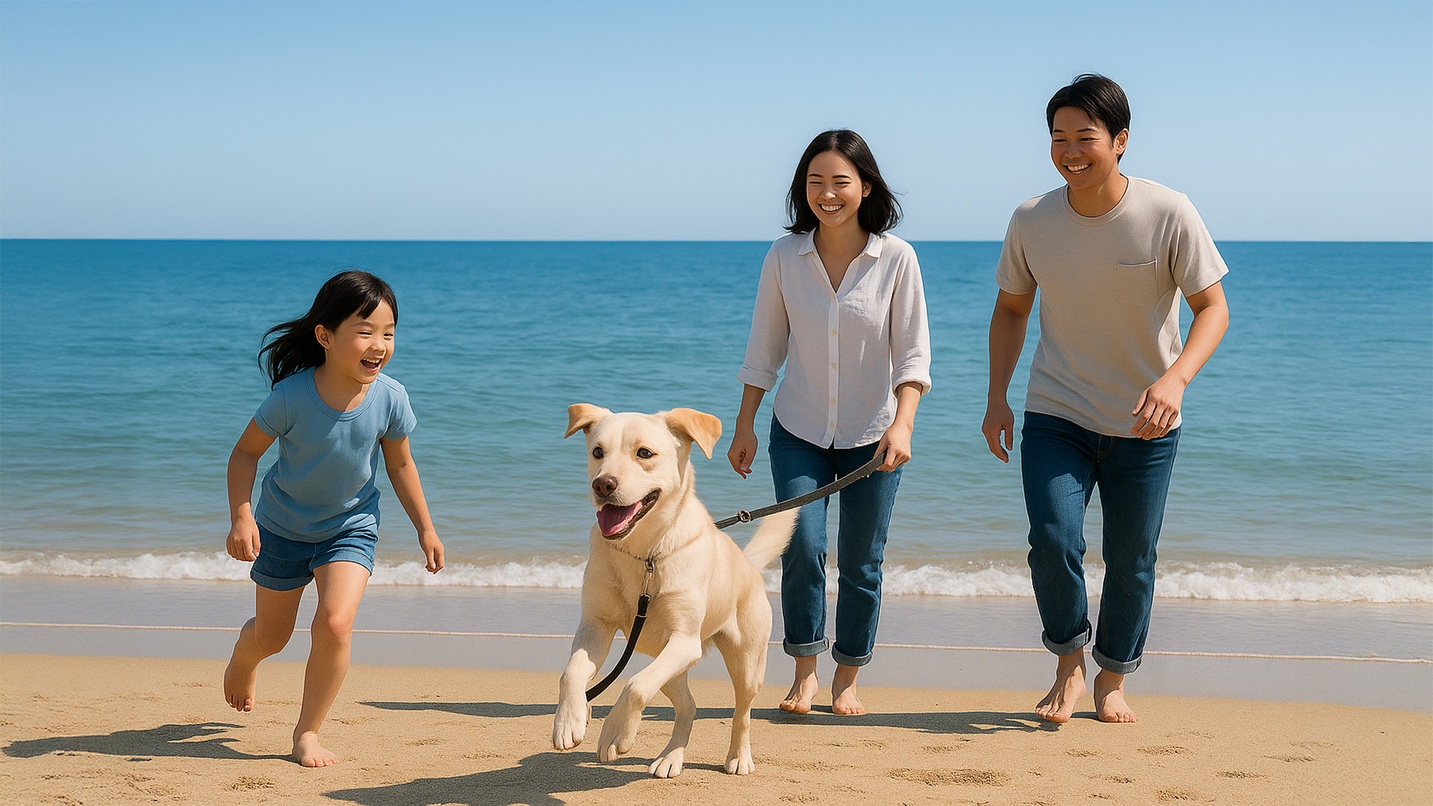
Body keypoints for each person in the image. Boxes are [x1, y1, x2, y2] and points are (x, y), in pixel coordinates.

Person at [982, 74, 1230, 724]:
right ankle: (1068, 662)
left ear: (1119, 141)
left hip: (1145, 420)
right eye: (1057, 138)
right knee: (1051, 538)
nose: (1069, 151)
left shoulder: (1167, 211)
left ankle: (1112, 677)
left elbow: (1212, 309)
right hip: (1055, 410)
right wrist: (996, 397)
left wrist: (1174, 379)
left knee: (1131, 557)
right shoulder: (1031, 219)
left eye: (1084, 138)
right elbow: (1011, 311)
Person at [728, 130, 931, 716]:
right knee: (804, 546)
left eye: (841, 181)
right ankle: (805, 670)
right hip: (799, 430)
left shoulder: (896, 259)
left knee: (863, 559)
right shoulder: (784, 257)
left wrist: (905, 424)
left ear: (866, 186)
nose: (828, 193)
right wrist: (745, 425)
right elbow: (764, 349)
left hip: (876, 434)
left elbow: (913, 354)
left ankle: (848, 676)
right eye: (815, 182)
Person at [222, 270, 444, 765]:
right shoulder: (291, 397)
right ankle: (245, 650)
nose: (379, 344)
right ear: (325, 336)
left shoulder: (390, 397)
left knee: (336, 624)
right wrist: (242, 517)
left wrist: (425, 528)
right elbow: (243, 455)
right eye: (365, 331)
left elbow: (400, 463)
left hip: (350, 526)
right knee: (272, 637)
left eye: (388, 333)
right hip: (281, 528)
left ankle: (307, 733)